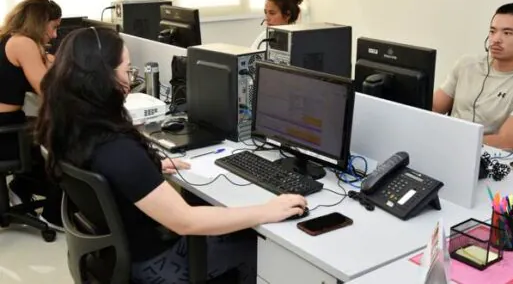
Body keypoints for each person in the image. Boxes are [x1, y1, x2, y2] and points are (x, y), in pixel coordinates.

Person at [35, 27, 308, 283]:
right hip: (156, 262)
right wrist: (267, 210)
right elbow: (186, 221)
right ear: (101, 79)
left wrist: (146, 169)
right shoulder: (118, 151)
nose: (131, 80)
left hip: (117, 256)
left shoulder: (69, 126)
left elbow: (114, 171)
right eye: (127, 70)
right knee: (257, 243)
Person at [0, 0, 63, 230]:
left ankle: (20, 188)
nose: (55, 35)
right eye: (54, 27)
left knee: (43, 128)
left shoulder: (8, 38)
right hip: (5, 131)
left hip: (7, 122)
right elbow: (46, 91)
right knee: (64, 142)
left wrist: (46, 59)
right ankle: (53, 214)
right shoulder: (24, 44)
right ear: (40, 21)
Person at [432, 2, 513, 152]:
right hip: (444, 147)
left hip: (487, 157)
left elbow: (508, 142)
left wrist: (454, 140)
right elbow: (435, 107)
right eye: (492, 31)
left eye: (507, 33)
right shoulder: (467, 65)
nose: (496, 39)